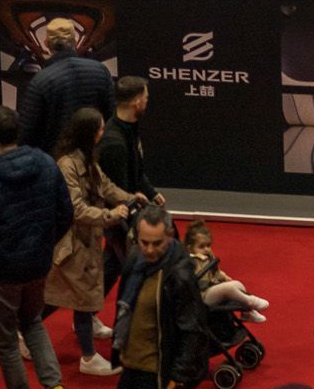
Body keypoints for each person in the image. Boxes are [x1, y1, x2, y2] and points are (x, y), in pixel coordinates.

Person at [0, 103, 72, 389]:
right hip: (38, 264)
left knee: (8, 342)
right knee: (33, 323)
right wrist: (45, 244)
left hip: (2, 272)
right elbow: (66, 214)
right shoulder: (46, 162)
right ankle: (54, 386)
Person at [47, 106, 134, 377]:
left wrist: (130, 198)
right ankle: (87, 357)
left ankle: (25, 328)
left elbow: (106, 186)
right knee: (80, 297)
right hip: (72, 243)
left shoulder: (87, 159)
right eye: (99, 128)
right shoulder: (67, 165)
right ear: (88, 133)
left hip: (88, 240)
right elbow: (77, 209)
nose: (102, 132)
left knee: (63, 294)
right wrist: (111, 214)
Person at [111, 206, 210, 389]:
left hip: (156, 373)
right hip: (130, 365)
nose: (149, 250)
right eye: (144, 242)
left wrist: (177, 379)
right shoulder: (134, 259)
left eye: (157, 243)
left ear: (170, 236)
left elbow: (192, 331)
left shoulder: (180, 276)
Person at [18, 17, 114, 155]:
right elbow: (111, 118)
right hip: (94, 158)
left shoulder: (40, 81)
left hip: (56, 162)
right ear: (75, 41)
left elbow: (27, 134)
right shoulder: (101, 71)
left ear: (47, 43)